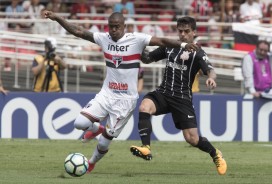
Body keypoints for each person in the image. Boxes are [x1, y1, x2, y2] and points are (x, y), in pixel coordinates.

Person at [43, 10, 199, 173]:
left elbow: (161, 40)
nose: (113, 30)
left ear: (124, 26)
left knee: (104, 142)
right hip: (106, 94)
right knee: (80, 123)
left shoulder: (136, 39)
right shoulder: (104, 38)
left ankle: (91, 163)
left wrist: (182, 45)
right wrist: (57, 18)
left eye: (117, 27)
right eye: (111, 27)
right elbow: (78, 32)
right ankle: (99, 129)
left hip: (125, 101)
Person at [130, 16, 227, 175]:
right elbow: (147, 59)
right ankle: (146, 148)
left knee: (192, 139)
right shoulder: (169, 47)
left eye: (186, 31)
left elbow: (210, 69)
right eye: (180, 31)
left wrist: (211, 78)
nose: (183, 34)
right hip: (164, 92)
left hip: (182, 98)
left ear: (194, 32)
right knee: (144, 106)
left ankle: (215, 153)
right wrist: (137, 46)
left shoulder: (198, 52)